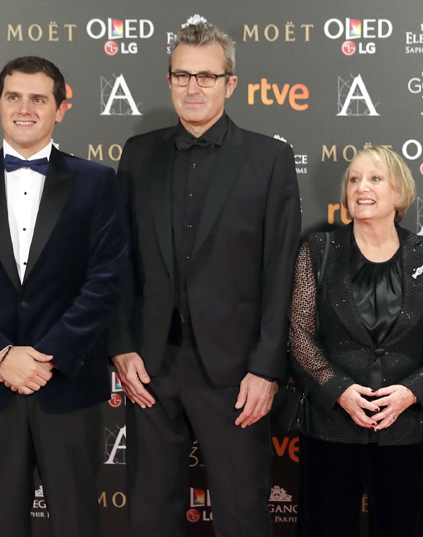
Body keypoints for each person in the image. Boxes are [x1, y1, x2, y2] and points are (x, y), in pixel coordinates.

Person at [108, 20, 301, 537]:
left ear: (230, 83)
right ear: (169, 81)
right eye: (182, 76)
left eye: (207, 77)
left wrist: (267, 367)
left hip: (236, 373)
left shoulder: (270, 158)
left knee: (242, 515)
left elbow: (281, 268)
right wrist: (122, 346)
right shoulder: (138, 153)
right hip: (150, 365)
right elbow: (119, 260)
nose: (193, 88)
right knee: (150, 515)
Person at [0, 56, 129, 536]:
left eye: (38, 98)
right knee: (1, 522)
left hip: (67, 381)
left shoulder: (97, 181)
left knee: (77, 520)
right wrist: (0, 355)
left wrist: (46, 357)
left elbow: (106, 279)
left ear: (60, 108)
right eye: (14, 97)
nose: (25, 108)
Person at [289, 146, 423, 536]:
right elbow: (300, 332)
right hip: (332, 425)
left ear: (399, 192)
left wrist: (410, 392)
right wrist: (340, 390)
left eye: (375, 178)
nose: (361, 187)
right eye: (354, 179)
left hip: (405, 428)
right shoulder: (318, 251)